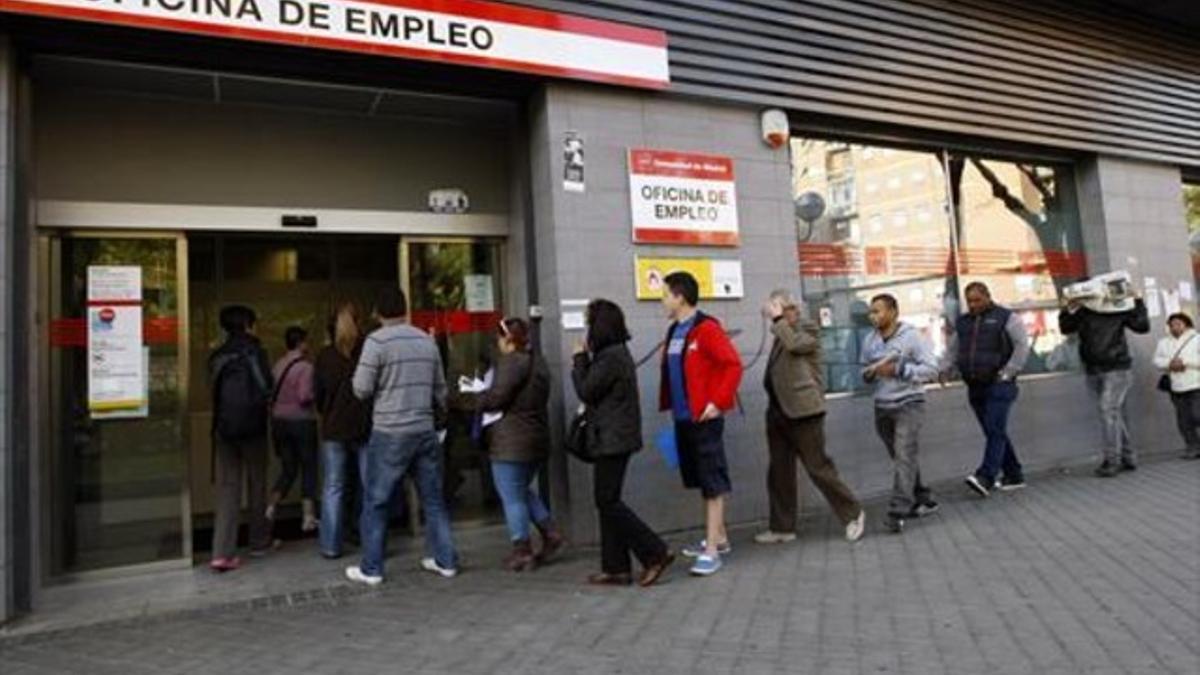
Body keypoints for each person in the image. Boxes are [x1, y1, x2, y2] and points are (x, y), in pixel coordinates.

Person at [345, 287, 458, 586]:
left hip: (390, 432)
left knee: (376, 501)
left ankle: (372, 569)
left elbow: (361, 388)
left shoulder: (376, 342)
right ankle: (446, 561)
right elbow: (441, 390)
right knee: (433, 500)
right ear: (405, 309)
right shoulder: (425, 340)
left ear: (378, 313)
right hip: (424, 430)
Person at [572, 299, 674, 587]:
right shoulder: (611, 354)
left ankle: (655, 551)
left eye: (589, 322)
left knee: (607, 500)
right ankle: (616, 567)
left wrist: (579, 358)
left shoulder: (611, 357)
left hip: (613, 439)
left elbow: (586, 390)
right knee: (607, 501)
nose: (586, 328)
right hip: (612, 436)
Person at [756, 289, 865, 545]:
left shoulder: (808, 329)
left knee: (818, 467)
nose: (774, 312)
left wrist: (777, 320)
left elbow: (795, 345)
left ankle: (853, 513)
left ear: (792, 308)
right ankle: (782, 527)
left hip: (805, 411)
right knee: (779, 471)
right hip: (779, 411)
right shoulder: (782, 330)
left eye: (779, 307)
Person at [658, 271, 743, 577]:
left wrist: (716, 403)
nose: (663, 301)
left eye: (665, 295)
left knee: (712, 483)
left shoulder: (706, 329)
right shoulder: (674, 331)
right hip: (683, 419)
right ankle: (718, 538)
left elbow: (732, 365)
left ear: (679, 296)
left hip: (704, 419)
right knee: (699, 479)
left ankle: (711, 553)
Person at [473, 317, 564, 572]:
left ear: (508, 339)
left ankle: (522, 550)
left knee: (512, 496)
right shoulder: (539, 363)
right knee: (521, 489)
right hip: (536, 438)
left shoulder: (512, 363)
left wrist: (479, 395)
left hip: (511, 441)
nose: (498, 345)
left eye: (499, 339)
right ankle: (550, 532)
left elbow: (496, 399)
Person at [942, 282, 1031, 497]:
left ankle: (986, 477)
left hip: (999, 383)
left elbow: (1021, 346)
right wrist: (944, 369)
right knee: (994, 431)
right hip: (975, 384)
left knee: (994, 429)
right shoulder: (963, 322)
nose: (973, 305)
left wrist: (1009, 372)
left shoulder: (1006, 317)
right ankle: (1014, 474)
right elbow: (953, 350)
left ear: (988, 296)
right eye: (969, 301)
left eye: (977, 300)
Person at [861, 294, 940, 534]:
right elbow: (862, 371)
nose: (873, 316)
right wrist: (869, 374)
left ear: (894, 311)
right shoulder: (869, 341)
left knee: (904, 454)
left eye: (878, 311)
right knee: (900, 457)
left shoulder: (913, 336)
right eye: (871, 312)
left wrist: (899, 369)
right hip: (882, 406)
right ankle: (923, 496)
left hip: (909, 403)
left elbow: (931, 369)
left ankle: (898, 511)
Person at [207, 305, 273, 572]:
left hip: (223, 430)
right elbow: (267, 386)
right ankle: (258, 542)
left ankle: (222, 553)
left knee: (228, 488)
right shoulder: (254, 351)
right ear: (248, 324)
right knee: (257, 483)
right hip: (254, 428)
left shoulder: (216, 356)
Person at [1059, 288, 1150, 477]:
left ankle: (1112, 460)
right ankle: (1128, 456)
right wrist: (1066, 309)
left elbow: (1142, 326)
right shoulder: (1083, 312)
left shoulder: (1115, 308)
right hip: (1094, 369)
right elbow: (1066, 328)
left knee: (1108, 412)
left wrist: (1138, 300)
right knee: (1112, 413)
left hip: (1117, 368)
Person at [313, 302, 372, 559]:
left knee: (333, 487)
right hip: (364, 425)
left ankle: (330, 545)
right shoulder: (367, 351)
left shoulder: (325, 356)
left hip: (334, 428)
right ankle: (370, 539)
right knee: (368, 485)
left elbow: (318, 395)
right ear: (358, 323)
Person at [267, 326, 320, 533]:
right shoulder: (306, 367)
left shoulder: (278, 365)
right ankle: (308, 517)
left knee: (288, 468)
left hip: (279, 422)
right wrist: (318, 393)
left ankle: (271, 507)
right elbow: (304, 396)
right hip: (301, 422)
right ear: (301, 343)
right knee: (308, 467)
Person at [1153, 313, 1200, 460]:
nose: (1175, 327)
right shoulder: (1164, 342)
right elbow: (1156, 360)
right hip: (1176, 386)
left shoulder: (1197, 339)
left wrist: (1184, 362)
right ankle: (1193, 447)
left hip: (1196, 383)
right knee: (1183, 419)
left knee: (1197, 414)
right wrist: (1169, 364)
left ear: (1187, 324)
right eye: (1172, 324)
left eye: (1179, 324)